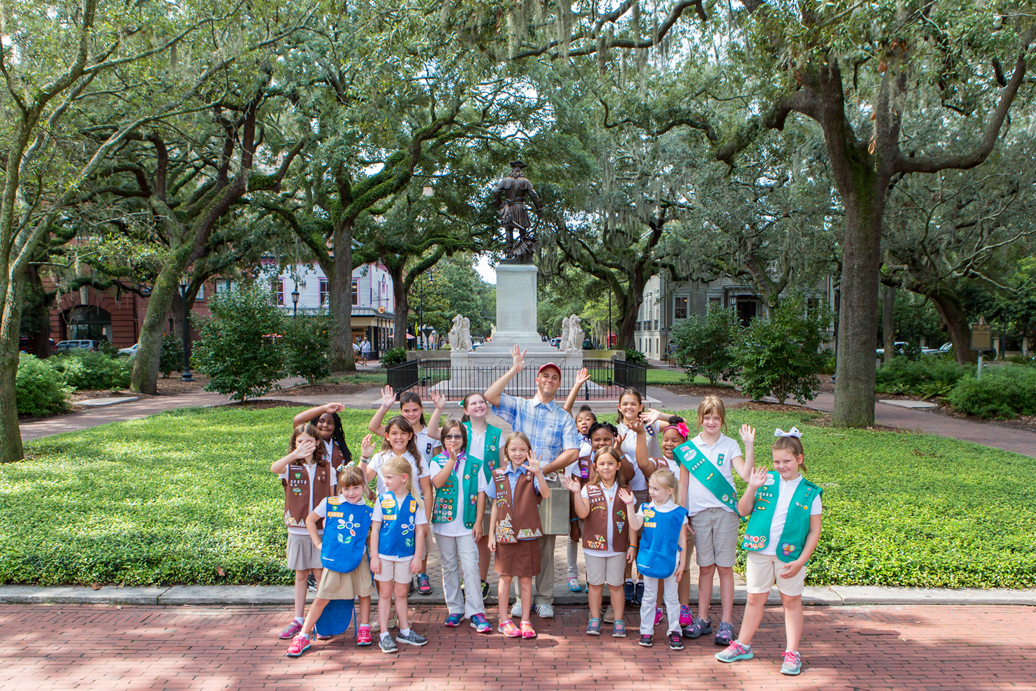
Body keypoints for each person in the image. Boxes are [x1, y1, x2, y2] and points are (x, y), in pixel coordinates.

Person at [484, 346, 580, 619]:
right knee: (517, 539)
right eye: (545, 376)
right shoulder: (521, 406)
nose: (549, 380)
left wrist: (541, 469)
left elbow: (572, 451)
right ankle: (518, 597)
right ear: (537, 379)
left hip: (545, 481)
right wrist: (514, 368)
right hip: (516, 483)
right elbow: (491, 396)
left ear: (559, 384)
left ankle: (545, 597)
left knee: (546, 543)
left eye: (554, 377)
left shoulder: (563, 416)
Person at [716, 429, 823, 676]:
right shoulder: (765, 480)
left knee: (790, 601)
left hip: (790, 556)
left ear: (800, 459)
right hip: (759, 550)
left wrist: (800, 562)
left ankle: (792, 652)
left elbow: (814, 532)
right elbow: (742, 511)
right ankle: (742, 645)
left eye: (787, 461)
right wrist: (751, 487)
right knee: (754, 598)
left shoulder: (810, 492)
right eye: (777, 461)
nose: (781, 466)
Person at [671, 396, 755, 645]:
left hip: (726, 513)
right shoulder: (689, 448)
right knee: (705, 567)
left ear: (722, 420)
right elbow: (683, 485)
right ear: (700, 418)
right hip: (697, 514)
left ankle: (727, 623)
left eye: (716, 417)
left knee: (725, 567)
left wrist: (748, 446)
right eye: (707, 416)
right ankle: (703, 619)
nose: (711, 421)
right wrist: (683, 514)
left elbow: (745, 474)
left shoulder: (730, 445)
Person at [285, 466, 376, 657]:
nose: (351, 493)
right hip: (335, 558)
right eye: (346, 489)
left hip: (359, 558)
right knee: (322, 596)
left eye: (356, 488)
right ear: (340, 488)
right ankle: (303, 635)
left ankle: (364, 628)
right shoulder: (330, 503)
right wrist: (317, 543)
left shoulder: (369, 511)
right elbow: (310, 520)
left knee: (364, 592)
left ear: (364, 487)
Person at [368, 391, 444, 594]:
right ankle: (401, 579)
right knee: (391, 543)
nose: (399, 437)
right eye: (394, 434)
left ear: (410, 436)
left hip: (413, 510)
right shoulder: (381, 456)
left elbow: (427, 490)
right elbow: (363, 478)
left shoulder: (417, 458)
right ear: (388, 435)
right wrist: (364, 457)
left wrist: (425, 519)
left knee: (419, 543)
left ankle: (420, 575)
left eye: (403, 434)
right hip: (387, 511)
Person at [563, 447, 635, 638]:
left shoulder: (626, 490)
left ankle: (618, 620)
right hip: (594, 548)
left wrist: (633, 545)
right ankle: (594, 618)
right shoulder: (588, 488)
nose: (606, 467)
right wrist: (577, 493)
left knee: (616, 585)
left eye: (610, 463)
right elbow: (583, 513)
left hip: (618, 548)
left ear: (618, 465)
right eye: (602, 464)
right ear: (595, 466)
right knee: (594, 584)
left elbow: (632, 522)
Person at [271, 424, 334, 640]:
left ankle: (319, 619)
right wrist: (293, 455)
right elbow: (274, 468)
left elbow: (333, 497)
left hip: (320, 529)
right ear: (294, 444)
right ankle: (298, 619)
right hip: (297, 528)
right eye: (300, 441)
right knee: (301, 574)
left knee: (319, 573)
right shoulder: (290, 467)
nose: (304, 445)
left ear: (317, 442)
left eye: (309, 441)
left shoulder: (327, 468)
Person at [428, 419, 492, 633]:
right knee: (449, 567)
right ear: (443, 439)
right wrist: (450, 461)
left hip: (467, 524)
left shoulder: (475, 463)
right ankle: (455, 608)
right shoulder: (437, 461)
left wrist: (478, 522)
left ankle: (476, 611)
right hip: (444, 525)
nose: (453, 440)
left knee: (471, 567)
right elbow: (437, 483)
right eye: (448, 436)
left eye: (457, 436)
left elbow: (481, 492)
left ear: (464, 439)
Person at [486, 432, 550, 639]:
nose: (518, 453)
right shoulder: (498, 475)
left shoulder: (532, 474)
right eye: (513, 449)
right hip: (504, 534)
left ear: (529, 452)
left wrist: (538, 472)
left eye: (522, 449)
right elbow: (495, 505)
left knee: (525, 578)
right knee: (505, 577)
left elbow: (546, 494)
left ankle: (525, 620)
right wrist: (491, 534)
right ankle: (503, 620)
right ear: (506, 452)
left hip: (527, 535)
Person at [370, 456, 429, 653]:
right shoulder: (382, 500)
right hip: (384, 556)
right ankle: (385, 634)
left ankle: (405, 631)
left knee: (401, 594)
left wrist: (417, 556)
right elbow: (376, 530)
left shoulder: (415, 502)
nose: (385, 481)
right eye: (384, 477)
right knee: (385, 594)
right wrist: (375, 557)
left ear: (404, 478)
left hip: (406, 556)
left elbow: (420, 531)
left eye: (389, 477)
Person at [630, 468, 689, 650]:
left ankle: (674, 631)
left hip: (671, 561)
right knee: (649, 596)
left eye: (656, 489)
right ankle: (646, 630)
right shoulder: (645, 508)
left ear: (669, 491)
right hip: (650, 558)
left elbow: (682, 540)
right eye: (651, 488)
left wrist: (683, 564)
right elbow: (634, 525)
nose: (651, 492)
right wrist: (628, 505)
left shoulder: (679, 512)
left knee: (671, 597)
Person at [459, 392, 504, 601]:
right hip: (463, 490)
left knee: (483, 535)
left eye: (482, 402)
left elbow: (502, 464)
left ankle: (482, 580)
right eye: (473, 403)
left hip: (488, 491)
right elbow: (434, 434)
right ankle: (467, 578)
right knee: (464, 535)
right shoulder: (459, 431)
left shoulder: (496, 433)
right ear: (466, 410)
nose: (479, 405)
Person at [562, 369, 596, 593]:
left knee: (591, 533)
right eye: (580, 420)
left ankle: (591, 575)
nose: (584, 422)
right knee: (573, 534)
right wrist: (576, 386)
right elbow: (565, 411)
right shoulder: (572, 438)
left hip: (592, 491)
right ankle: (572, 574)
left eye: (588, 419)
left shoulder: (599, 439)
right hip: (573, 488)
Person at [292, 403, 353, 471]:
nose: (325, 425)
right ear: (315, 423)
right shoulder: (309, 443)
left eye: (330, 423)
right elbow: (298, 420)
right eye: (321, 421)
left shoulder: (339, 446)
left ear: (335, 426)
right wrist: (324, 409)